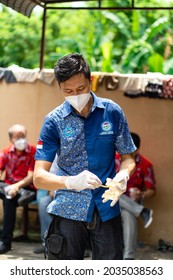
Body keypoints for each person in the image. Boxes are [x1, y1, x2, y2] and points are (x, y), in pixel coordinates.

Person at [33, 52, 136, 260]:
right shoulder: (54, 121)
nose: (76, 95)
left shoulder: (112, 112)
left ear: (90, 81)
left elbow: (128, 158)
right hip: (68, 210)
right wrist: (70, 181)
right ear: (60, 88)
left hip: (107, 207)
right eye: (68, 91)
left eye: (80, 89)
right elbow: (39, 177)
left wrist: (123, 176)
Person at [117, 132, 156, 260]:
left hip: (131, 203)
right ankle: (142, 212)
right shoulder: (115, 159)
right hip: (112, 200)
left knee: (128, 215)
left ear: (138, 148)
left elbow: (152, 191)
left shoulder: (146, 164)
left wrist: (141, 194)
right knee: (115, 194)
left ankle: (128, 257)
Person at [0, 124, 36, 254]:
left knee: (9, 197)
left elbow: (31, 177)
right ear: (11, 139)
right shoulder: (5, 152)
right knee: (8, 194)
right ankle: (5, 237)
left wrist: (16, 186)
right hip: (8, 187)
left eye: (23, 136)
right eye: (17, 137)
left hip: (27, 189)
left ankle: (5, 241)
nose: (22, 139)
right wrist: (10, 188)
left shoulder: (33, 151)